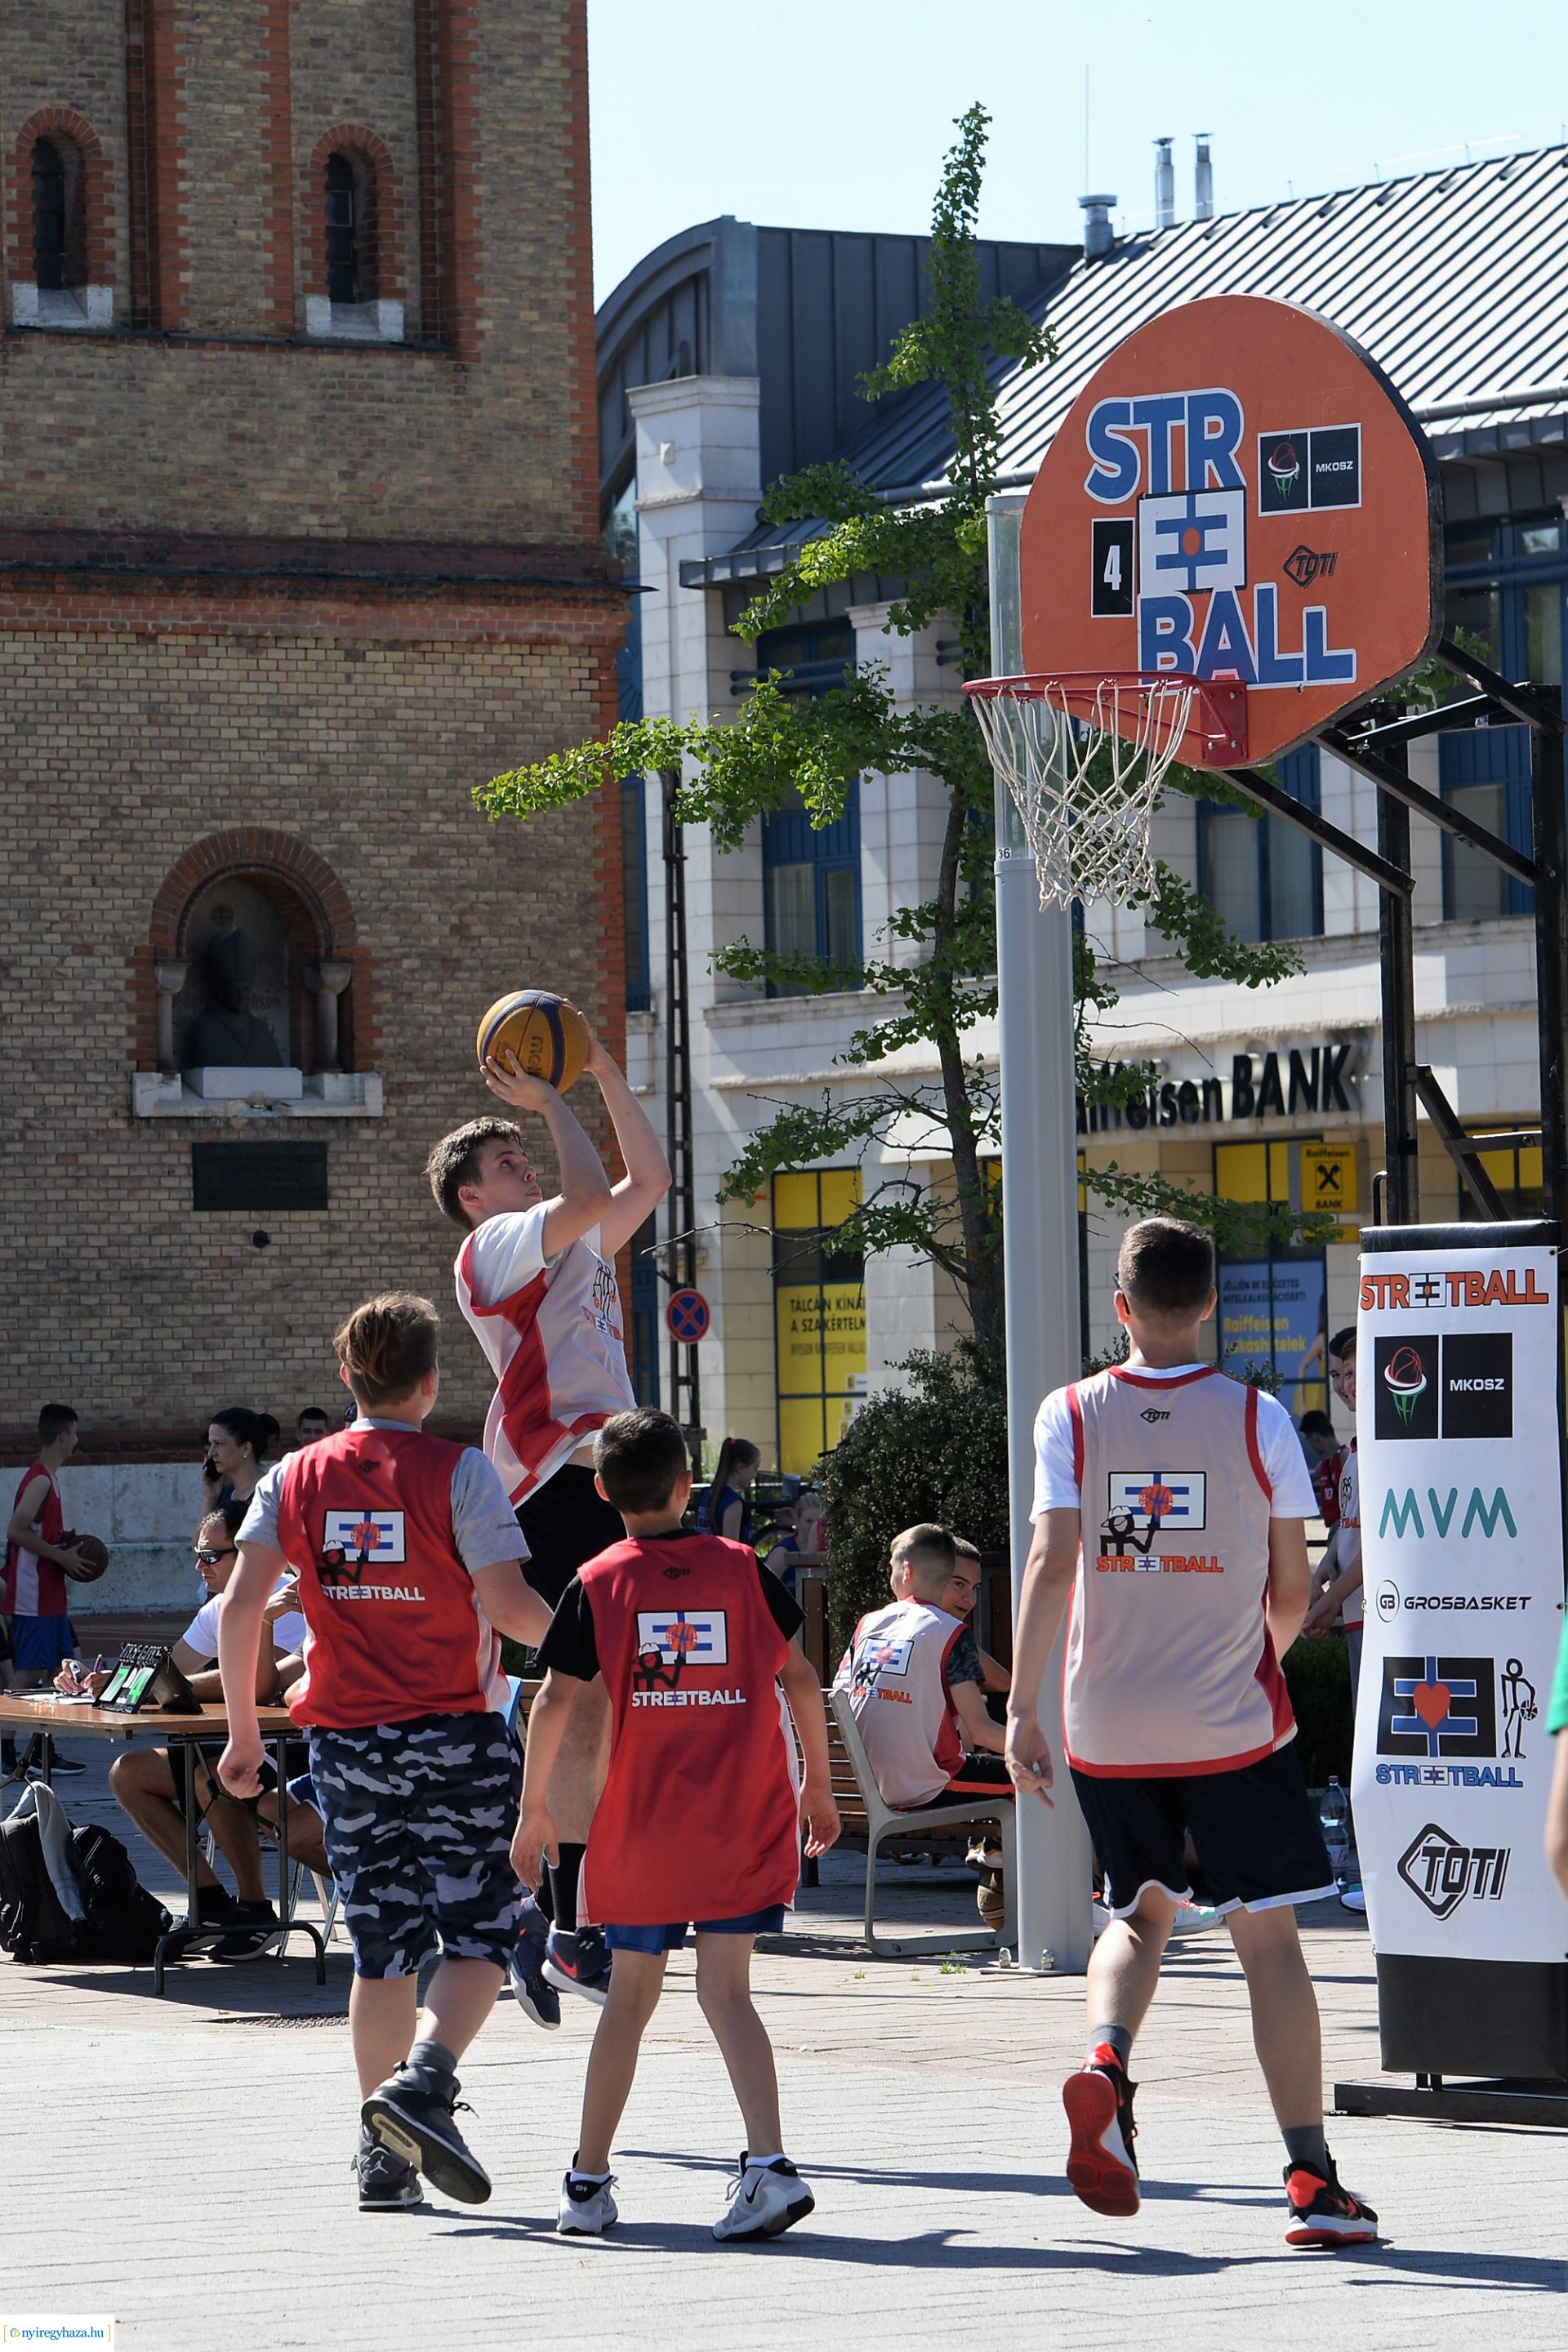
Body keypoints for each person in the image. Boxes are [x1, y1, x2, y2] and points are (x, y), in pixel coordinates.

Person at [1006, 1216, 1378, 2250]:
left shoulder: (1069, 1413)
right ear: (1209, 1303)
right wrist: (1251, 1644)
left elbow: (1050, 1565)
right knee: (1270, 1943)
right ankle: (1311, 2179)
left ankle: (1105, 2064)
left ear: (1119, 1308)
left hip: (1105, 1721)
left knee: (1135, 1915)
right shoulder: (1259, 1417)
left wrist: (1021, 1706)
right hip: (1230, 1721)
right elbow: (1294, 1585)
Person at [216, 1291, 554, 2213]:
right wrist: (592, 1659)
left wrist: (246, 1733)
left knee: (381, 1950)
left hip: (345, 1742)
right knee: (481, 1928)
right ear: (432, 1380)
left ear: (347, 1379)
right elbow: (512, 1608)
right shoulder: (462, 1473)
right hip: (457, 1734)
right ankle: (424, 2083)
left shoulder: (292, 1478)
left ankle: (381, 2157)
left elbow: (242, 1608)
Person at [512, 1407, 840, 2240]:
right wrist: (819, 1789)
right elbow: (800, 1680)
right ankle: (768, 2166)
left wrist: (534, 1809)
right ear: (688, 1486)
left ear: (599, 1493)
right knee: (730, 1996)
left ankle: (586, 2187)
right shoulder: (741, 1567)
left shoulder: (596, 1581)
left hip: (644, 1828)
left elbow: (553, 1700)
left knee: (628, 2000)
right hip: (745, 1817)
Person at [427, 1013, 670, 2006]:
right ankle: (560, 1912)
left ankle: (552, 1907)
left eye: (522, 1150)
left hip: (606, 1470)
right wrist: (554, 1094)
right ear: (469, 1195)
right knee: (580, 1693)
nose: (522, 1161)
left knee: (598, 1698)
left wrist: (605, 1065)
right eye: (504, 1157)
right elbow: (583, 1190)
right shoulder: (492, 1249)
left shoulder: (569, 1242)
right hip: (552, 1481)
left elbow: (644, 1182)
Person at [98, 1500, 310, 1957]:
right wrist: (106, 1681)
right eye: (196, 1553)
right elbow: (172, 1671)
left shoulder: (293, 1599)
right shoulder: (219, 1609)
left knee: (210, 1773)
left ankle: (256, 1909)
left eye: (212, 1555)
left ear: (250, 1551)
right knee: (128, 1772)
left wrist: (160, 1684)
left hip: (293, 1749)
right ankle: (212, 1904)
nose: (200, 1565)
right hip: (236, 1748)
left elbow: (261, 1685)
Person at [835, 1524, 1011, 1807]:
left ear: (906, 1572)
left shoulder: (869, 1623)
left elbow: (840, 1696)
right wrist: (1046, 1753)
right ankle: (998, 1850)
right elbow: (982, 1730)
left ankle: (991, 1851)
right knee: (1036, 1777)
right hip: (926, 1786)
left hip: (862, 1786)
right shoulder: (950, 1632)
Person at [2, 1404, 89, 1775]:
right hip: (32, 1594)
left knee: (59, 1671)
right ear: (63, 1436)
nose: (77, 1440)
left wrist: (64, 1545)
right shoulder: (39, 1479)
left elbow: (37, 1533)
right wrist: (61, 1556)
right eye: (75, 1433)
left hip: (50, 1592)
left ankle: (42, 1751)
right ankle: (4, 1751)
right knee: (27, 1674)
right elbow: (16, 1531)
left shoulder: (50, 1478)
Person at [1301, 1330, 1361, 1694]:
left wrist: (1331, 1599)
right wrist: (1328, 1559)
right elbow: (1351, 1525)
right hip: (1356, 1614)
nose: (1344, 1386)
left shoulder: (1391, 1451)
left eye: (1351, 1373)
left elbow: (1385, 1541)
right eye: (1337, 1375)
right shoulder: (1354, 1454)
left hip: (1382, 1617)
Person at [202, 1407, 272, 1512]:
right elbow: (205, 1529)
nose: (211, 1453)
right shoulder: (224, 1494)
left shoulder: (270, 1492)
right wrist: (211, 1499)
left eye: (219, 1444)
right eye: (211, 1444)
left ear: (245, 1448)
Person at [702, 1438, 761, 1545]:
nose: (755, 1475)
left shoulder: (706, 1494)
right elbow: (731, 1549)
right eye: (755, 1469)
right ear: (741, 1467)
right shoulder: (733, 1503)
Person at [1297, 1410, 1343, 1530]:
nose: (1310, 1445)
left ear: (1315, 1437)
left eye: (1309, 1440)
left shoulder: (1345, 1459)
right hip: (1334, 1527)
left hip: (1345, 1528)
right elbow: (1304, 1481)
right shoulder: (1324, 1466)